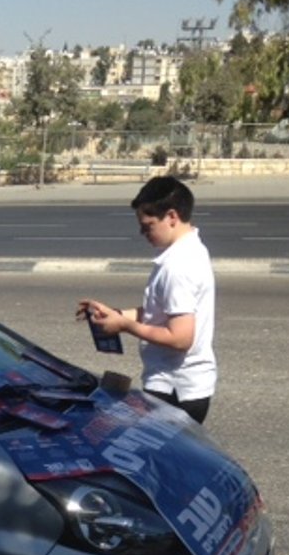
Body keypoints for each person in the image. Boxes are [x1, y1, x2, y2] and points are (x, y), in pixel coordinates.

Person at [76, 175, 216, 424]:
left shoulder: (178, 267)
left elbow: (181, 337)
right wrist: (117, 314)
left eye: (148, 225)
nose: (142, 232)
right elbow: (161, 313)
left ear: (171, 217)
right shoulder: (190, 249)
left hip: (175, 388)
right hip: (184, 385)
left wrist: (125, 326)